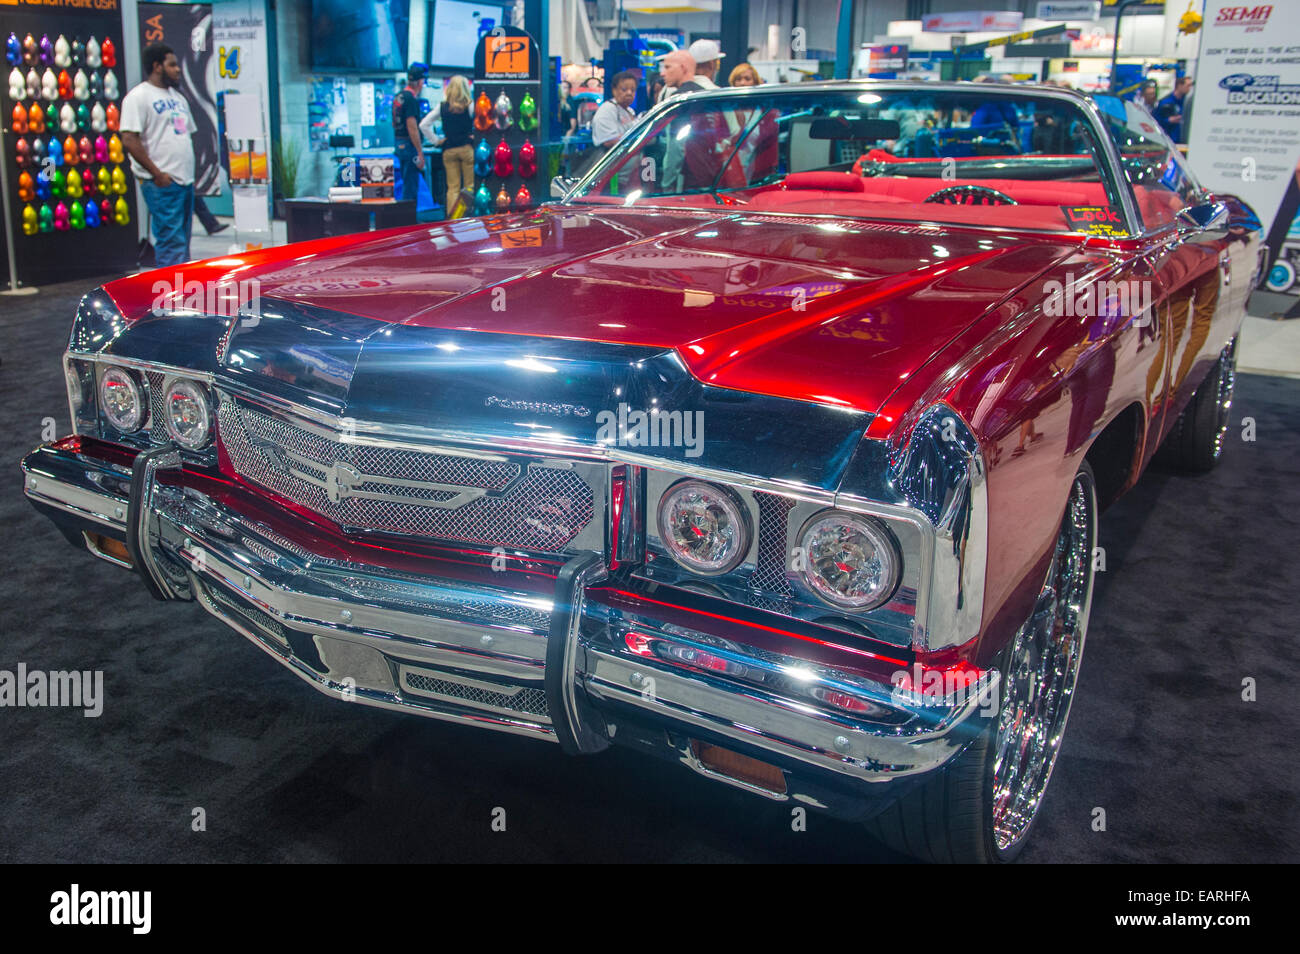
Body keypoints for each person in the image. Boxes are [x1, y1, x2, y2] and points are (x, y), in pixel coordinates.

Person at [120, 43, 197, 267]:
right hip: (162, 183)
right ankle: (168, 298)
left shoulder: (178, 98)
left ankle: (183, 294)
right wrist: (157, 174)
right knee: (171, 244)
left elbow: (184, 134)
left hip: (185, 182)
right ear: (157, 67)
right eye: (172, 65)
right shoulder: (138, 97)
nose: (177, 69)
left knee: (183, 246)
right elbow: (129, 139)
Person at [428, 74, 473, 215]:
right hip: (467, 149)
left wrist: (436, 141)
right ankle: (468, 217)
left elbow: (424, 124)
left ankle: (453, 219)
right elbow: (481, 123)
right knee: (469, 187)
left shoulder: (442, 107)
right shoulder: (470, 106)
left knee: (452, 188)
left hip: (449, 150)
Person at [392, 62, 427, 204]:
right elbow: (412, 126)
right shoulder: (411, 99)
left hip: (398, 143)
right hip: (409, 145)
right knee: (411, 188)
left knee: (407, 183)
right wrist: (419, 151)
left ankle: (404, 219)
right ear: (419, 82)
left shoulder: (398, 97)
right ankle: (409, 221)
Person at [589, 70, 638, 149]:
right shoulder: (607, 110)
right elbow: (609, 141)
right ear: (614, 90)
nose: (629, 93)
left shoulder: (630, 111)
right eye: (624, 89)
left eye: (633, 90)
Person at [1156, 75, 1193, 144]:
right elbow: (1156, 121)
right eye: (1188, 85)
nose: (1189, 88)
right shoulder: (1166, 102)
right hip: (1168, 140)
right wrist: (1168, 120)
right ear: (1179, 85)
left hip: (1182, 141)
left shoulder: (1187, 102)